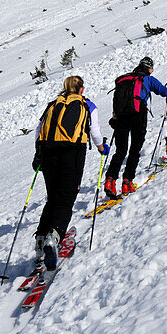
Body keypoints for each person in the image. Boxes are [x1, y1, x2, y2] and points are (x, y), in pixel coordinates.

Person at [32, 75, 108, 270]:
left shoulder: (52, 105)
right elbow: (95, 131)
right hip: (72, 153)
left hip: (48, 154)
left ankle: (40, 240)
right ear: (81, 89)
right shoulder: (87, 105)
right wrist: (101, 148)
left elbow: (39, 130)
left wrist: (38, 154)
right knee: (66, 197)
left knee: (53, 197)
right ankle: (54, 236)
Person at [104, 56, 167, 198]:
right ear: (149, 68)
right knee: (135, 149)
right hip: (138, 113)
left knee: (120, 151)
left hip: (121, 115)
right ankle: (127, 182)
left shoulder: (125, 79)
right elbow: (166, 92)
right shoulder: (147, 79)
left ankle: (110, 181)